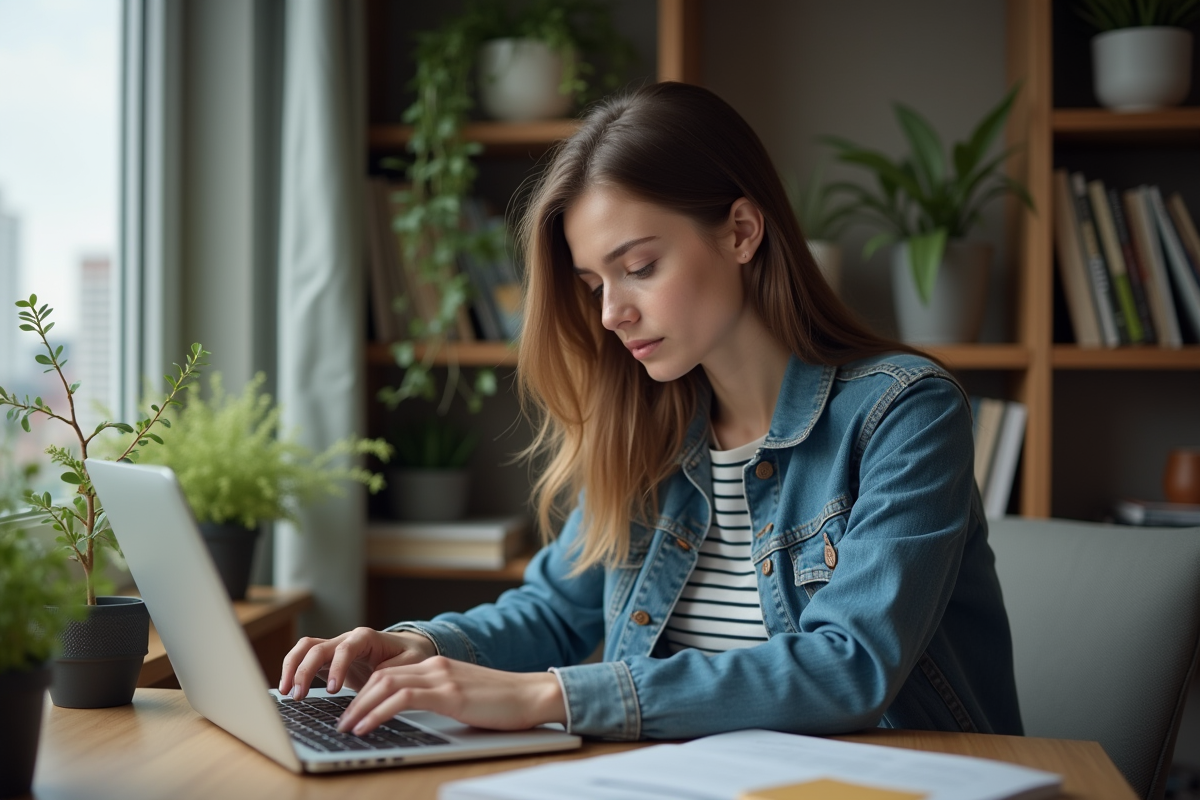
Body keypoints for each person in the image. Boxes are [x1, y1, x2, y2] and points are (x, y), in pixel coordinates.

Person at [279, 81, 1023, 741]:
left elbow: (851, 669)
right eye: (595, 282)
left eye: (639, 268)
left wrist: (547, 696)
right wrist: (421, 647)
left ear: (740, 231)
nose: (611, 313)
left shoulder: (904, 411)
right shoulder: (650, 428)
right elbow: (555, 609)